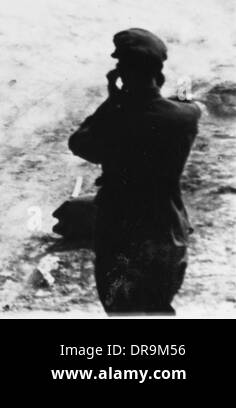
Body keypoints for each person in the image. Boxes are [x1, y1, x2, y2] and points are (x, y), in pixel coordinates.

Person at [69, 29, 201, 315]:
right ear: (159, 71)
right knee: (158, 309)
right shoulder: (185, 117)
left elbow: (79, 143)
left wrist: (113, 100)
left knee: (122, 312)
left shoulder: (116, 117)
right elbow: (187, 107)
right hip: (167, 231)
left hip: (120, 232)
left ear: (122, 73)